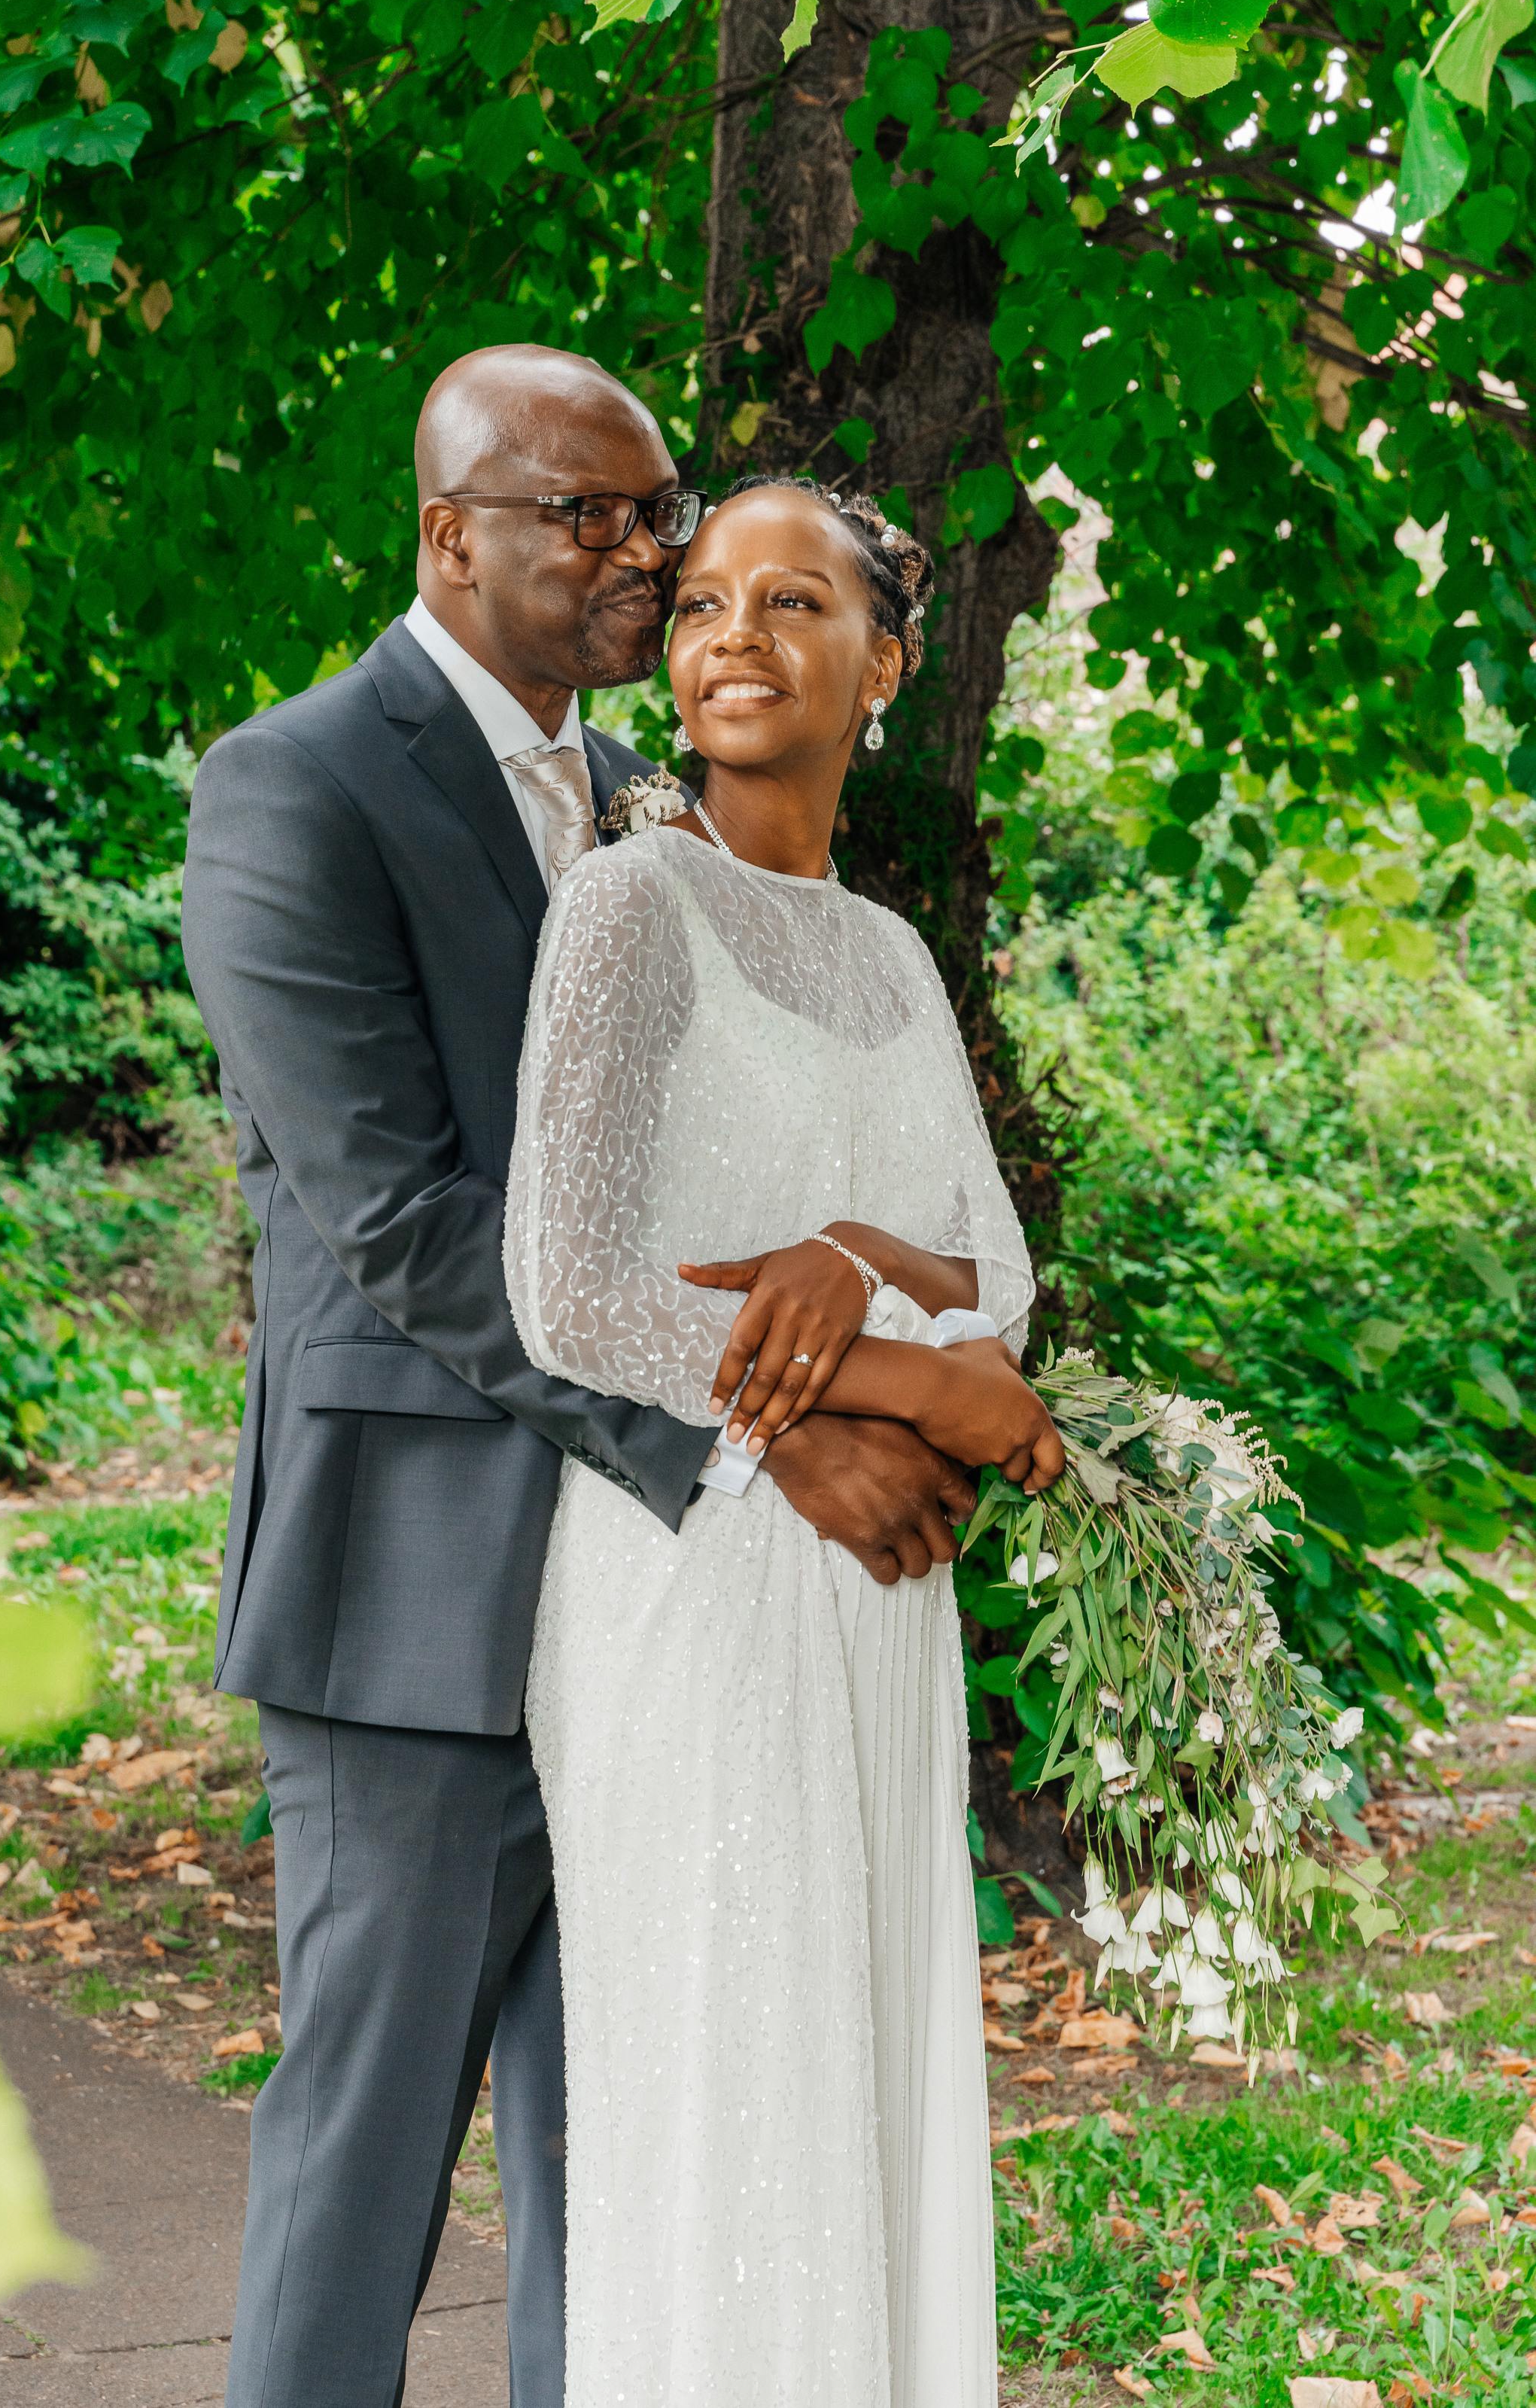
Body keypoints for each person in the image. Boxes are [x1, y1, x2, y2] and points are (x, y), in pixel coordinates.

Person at [180, 349, 1002, 2408]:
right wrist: (767, 1433)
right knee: (367, 2162)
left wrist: (852, 1325)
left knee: (625, 2183)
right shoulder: (294, 784)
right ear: (448, 533)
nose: (640, 552)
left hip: (662, 1629)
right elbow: (402, 1218)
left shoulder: (651, 788)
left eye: (655, 513)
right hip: (421, 1591)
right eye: (589, 514)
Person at [506, 472, 1066, 2407]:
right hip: (695, 1585)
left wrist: (848, 1256)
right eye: (701, 605)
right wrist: (904, 1378)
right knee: (731, 2091)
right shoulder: (627, 903)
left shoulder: (894, 954)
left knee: (865, 2079)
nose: (733, 636)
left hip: (879, 1593)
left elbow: (995, 1273)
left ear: (886, 663)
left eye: (792, 601)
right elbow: (572, 1294)